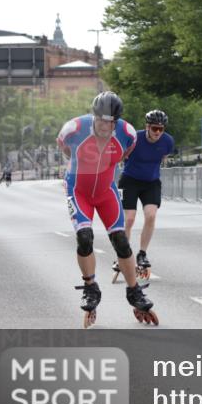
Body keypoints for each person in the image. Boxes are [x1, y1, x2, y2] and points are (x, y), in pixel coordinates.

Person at [58, 91, 158, 327]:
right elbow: (64, 148)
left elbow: (124, 153)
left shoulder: (127, 134)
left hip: (106, 191)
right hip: (78, 190)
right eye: (102, 121)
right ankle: (91, 286)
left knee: (121, 241)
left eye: (111, 122)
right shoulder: (73, 128)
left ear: (117, 121)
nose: (106, 126)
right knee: (84, 237)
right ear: (94, 117)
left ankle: (134, 291)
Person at [112, 109, 175, 282]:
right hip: (130, 180)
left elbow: (163, 156)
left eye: (161, 129)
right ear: (147, 126)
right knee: (129, 219)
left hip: (151, 182)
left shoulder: (167, 141)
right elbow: (121, 156)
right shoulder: (134, 138)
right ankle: (122, 255)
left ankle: (142, 254)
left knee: (151, 215)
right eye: (155, 128)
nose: (158, 133)